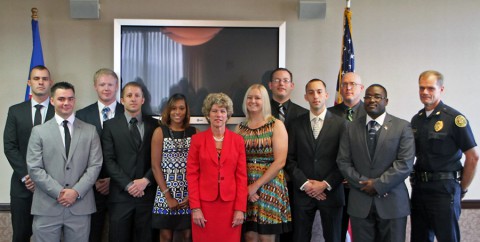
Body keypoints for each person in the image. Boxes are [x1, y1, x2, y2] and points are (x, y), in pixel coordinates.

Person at [336, 84, 415, 242]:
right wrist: (364, 184)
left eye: (377, 97)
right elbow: (343, 161)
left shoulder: (402, 127)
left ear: (386, 101)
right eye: (368, 96)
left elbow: (404, 164)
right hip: (360, 202)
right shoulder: (350, 128)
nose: (372, 100)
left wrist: (378, 185)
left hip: (392, 204)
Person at [26, 81, 103, 242]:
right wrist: (59, 192)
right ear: (52, 100)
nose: (66, 103)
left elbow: (95, 165)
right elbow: (34, 168)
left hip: (79, 206)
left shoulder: (90, 130)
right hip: (47, 207)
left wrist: (75, 192)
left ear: (74, 100)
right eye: (61, 99)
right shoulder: (39, 132)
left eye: (70, 99)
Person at [410, 70, 479, 242]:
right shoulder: (416, 120)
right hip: (419, 189)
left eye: (430, 88)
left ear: (441, 89)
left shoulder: (454, 119)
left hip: (444, 190)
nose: (425, 92)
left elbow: (473, 157)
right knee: (419, 238)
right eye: (422, 88)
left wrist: (461, 189)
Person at [286, 79, 346, 242]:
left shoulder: (342, 125)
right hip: (302, 193)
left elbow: (345, 161)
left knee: (334, 238)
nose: (315, 96)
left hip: (331, 194)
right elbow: (289, 159)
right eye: (311, 92)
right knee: (299, 238)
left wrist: (324, 185)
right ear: (305, 97)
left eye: (319, 92)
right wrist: (306, 185)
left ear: (326, 95)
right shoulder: (295, 124)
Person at [102, 82, 159, 242]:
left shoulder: (155, 125)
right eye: (129, 95)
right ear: (122, 100)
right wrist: (129, 185)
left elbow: (159, 158)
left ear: (143, 100)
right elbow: (109, 160)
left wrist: (146, 180)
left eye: (137, 95)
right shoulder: (110, 126)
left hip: (147, 196)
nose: (133, 99)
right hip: (120, 197)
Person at [3, 65, 55, 242]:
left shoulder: (60, 112)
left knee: (49, 237)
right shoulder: (15, 111)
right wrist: (27, 176)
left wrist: (43, 179)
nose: (41, 82)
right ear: (29, 83)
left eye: (44, 79)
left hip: (51, 186)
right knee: (21, 236)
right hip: (23, 186)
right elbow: (10, 146)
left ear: (50, 83)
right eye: (36, 78)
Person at [187, 93, 247, 242]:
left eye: (222, 111)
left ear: (228, 115)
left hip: (230, 207)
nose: (218, 115)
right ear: (208, 114)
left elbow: (241, 177)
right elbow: (192, 175)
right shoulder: (197, 140)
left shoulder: (238, 140)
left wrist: (240, 209)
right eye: (214, 111)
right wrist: (195, 208)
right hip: (204, 206)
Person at [236, 84, 291, 242]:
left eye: (257, 98)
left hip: (270, 185)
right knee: (249, 236)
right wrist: (246, 187)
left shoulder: (276, 125)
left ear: (265, 101)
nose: (253, 101)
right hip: (245, 185)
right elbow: (235, 161)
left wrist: (255, 186)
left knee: (265, 237)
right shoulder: (240, 128)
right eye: (250, 97)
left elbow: (280, 161)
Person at [76, 68, 124, 242]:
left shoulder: (127, 113)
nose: (106, 88)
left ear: (117, 86)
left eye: (110, 84)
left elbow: (130, 153)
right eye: (102, 84)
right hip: (90, 188)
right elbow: (78, 153)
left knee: (119, 235)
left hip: (120, 187)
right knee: (92, 235)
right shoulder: (81, 115)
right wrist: (92, 180)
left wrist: (114, 180)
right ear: (95, 86)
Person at [268, 67, 307, 242]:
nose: (281, 83)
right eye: (277, 80)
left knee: (292, 229)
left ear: (292, 85)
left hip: (294, 181)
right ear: (270, 85)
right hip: (267, 179)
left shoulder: (304, 114)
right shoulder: (260, 111)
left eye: (285, 80)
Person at [151, 93, 197, 242]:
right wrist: (168, 196)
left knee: (188, 235)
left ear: (186, 110)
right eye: (174, 108)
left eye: (181, 108)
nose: (178, 112)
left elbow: (200, 166)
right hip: (165, 192)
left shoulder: (193, 132)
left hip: (188, 193)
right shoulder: (160, 132)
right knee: (166, 236)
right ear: (168, 111)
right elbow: (155, 166)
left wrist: (192, 195)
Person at [327, 72, 365, 242]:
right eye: (344, 84)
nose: (348, 88)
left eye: (353, 84)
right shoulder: (328, 114)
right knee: (336, 234)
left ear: (361, 88)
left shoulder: (373, 113)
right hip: (335, 186)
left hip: (362, 186)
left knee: (363, 233)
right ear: (339, 88)